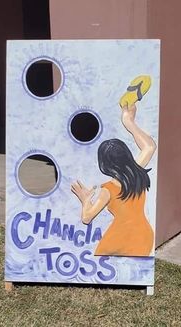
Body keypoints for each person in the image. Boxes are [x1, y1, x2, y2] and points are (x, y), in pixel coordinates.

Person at [71, 76, 157, 256]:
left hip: (121, 238)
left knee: (102, 258)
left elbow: (87, 218)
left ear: (105, 164)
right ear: (125, 154)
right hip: (144, 235)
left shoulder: (107, 189)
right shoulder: (136, 173)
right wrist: (129, 122)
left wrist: (86, 199)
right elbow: (149, 146)